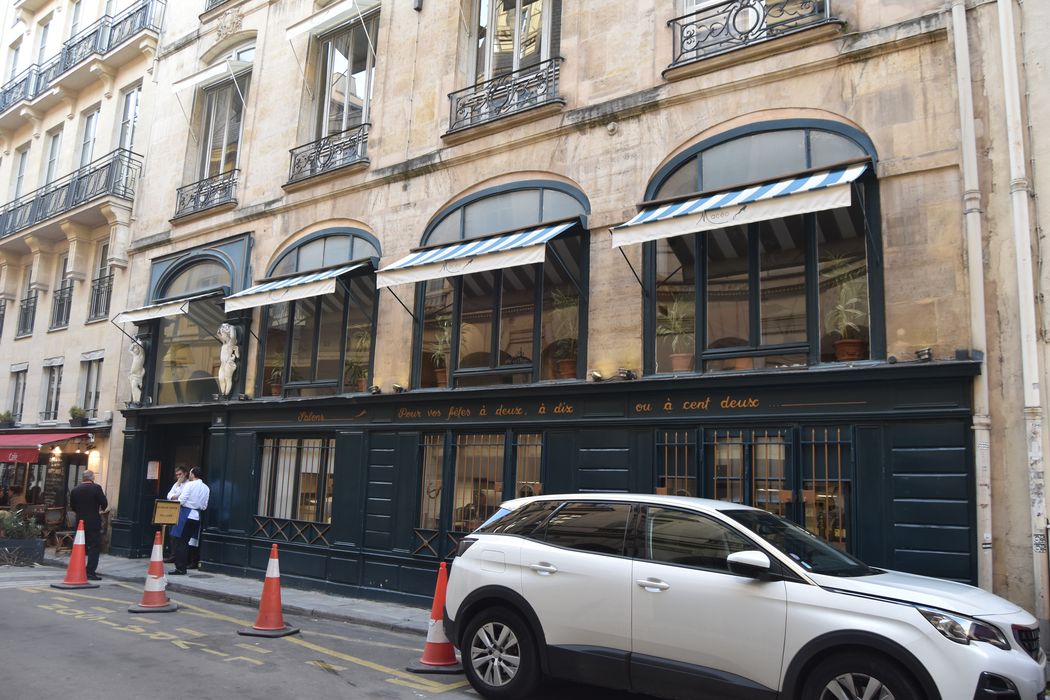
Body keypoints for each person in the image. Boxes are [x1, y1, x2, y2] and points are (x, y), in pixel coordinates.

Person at [69, 471, 108, 581]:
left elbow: (72, 506)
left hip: (80, 522)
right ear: (92, 478)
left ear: (83, 478)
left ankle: (77, 569)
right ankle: (90, 572)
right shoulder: (96, 488)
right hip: (93, 522)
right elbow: (104, 503)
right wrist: (100, 508)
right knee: (94, 547)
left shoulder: (75, 489)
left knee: (80, 546)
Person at [170, 466, 209, 575]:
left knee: (180, 542)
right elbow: (204, 506)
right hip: (197, 516)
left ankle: (180, 568)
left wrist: (175, 498)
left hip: (186, 515)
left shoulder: (189, 485)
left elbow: (181, 501)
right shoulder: (206, 488)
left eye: (190, 474)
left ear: (192, 474)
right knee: (188, 542)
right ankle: (185, 565)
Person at [164, 467, 188, 563]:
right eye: (177, 475)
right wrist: (175, 494)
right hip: (173, 511)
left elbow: (181, 496)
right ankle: (173, 555)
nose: (178, 477)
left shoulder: (189, 484)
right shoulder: (177, 484)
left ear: (185, 473)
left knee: (180, 535)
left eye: (180, 474)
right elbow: (169, 495)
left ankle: (178, 556)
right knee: (172, 534)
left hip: (183, 511)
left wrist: (175, 495)